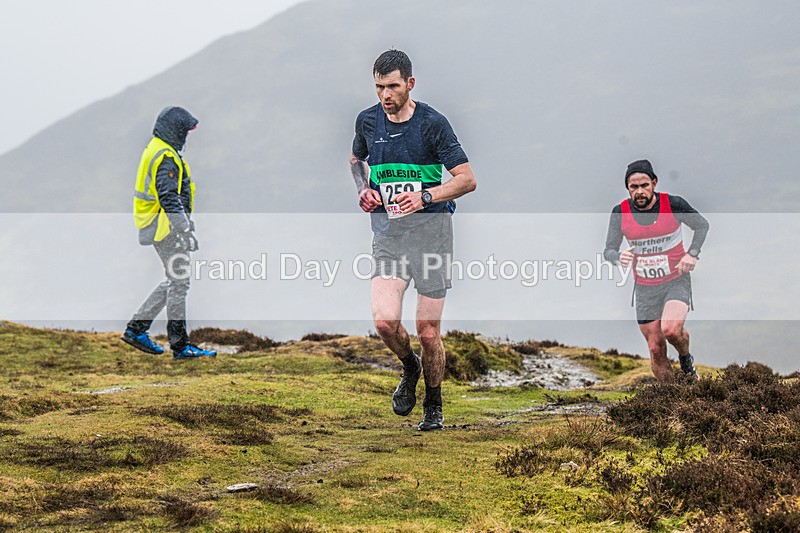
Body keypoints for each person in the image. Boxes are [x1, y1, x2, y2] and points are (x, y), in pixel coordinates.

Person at [350, 50, 477, 431]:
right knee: (385, 323)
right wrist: (363, 191)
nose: (385, 95)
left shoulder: (433, 124)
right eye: (378, 87)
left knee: (427, 330)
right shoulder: (367, 121)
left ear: (410, 84)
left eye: (392, 86)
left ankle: (433, 406)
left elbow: (466, 179)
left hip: (432, 236)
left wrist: (424, 196)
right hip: (389, 236)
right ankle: (410, 366)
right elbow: (357, 161)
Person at [121, 106, 216, 359]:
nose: (186, 137)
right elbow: (168, 196)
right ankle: (178, 346)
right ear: (175, 130)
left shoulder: (156, 148)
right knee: (179, 283)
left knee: (176, 280)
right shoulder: (165, 156)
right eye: (184, 131)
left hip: (159, 225)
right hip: (166, 227)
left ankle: (138, 329)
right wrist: (182, 226)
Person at [604, 159, 709, 380]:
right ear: (628, 188)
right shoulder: (620, 213)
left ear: (654, 183)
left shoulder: (674, 204)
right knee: (655, 348)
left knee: (671, 330)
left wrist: (692, 253)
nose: (640, 191)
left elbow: (701, 225)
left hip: (675, 280)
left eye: (644, 185)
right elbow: (609, 250)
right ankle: (673, 401)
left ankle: (685, 358)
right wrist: (618, 257)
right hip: (644, 287)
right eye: (634, 187)